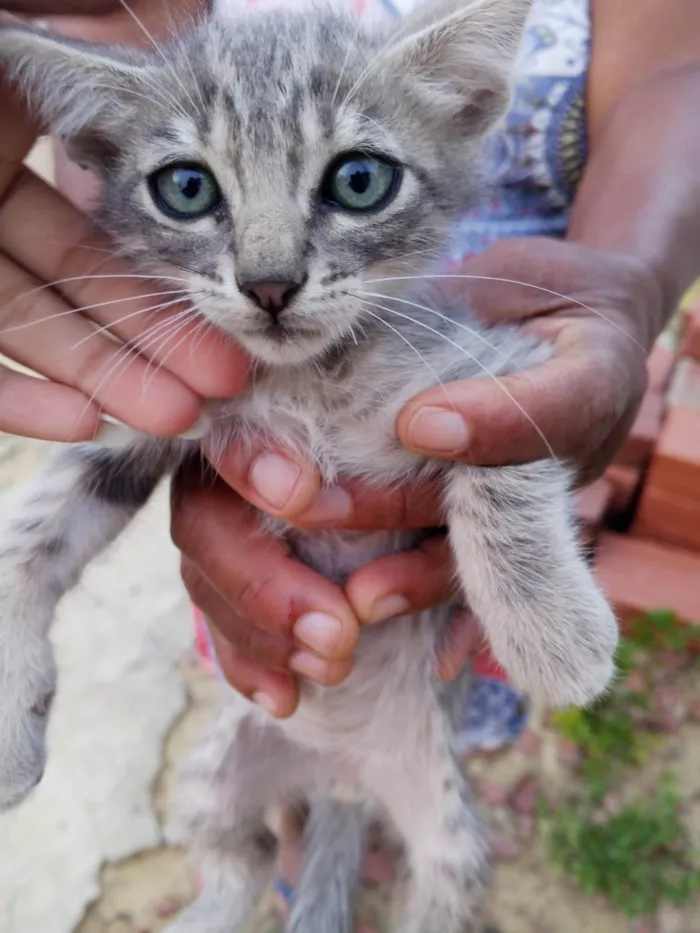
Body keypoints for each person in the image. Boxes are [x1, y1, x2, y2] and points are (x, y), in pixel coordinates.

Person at [5, 0, 700, 925]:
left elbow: (507, 397)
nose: (268, 270)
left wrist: (514, 530)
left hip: (423, 645)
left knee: (444, 859)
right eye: (189, 187)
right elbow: (95, 470)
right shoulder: (202, 333)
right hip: (280, 628)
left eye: (356, 178)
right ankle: (250, 877)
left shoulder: (419, 339)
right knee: (260, 726)